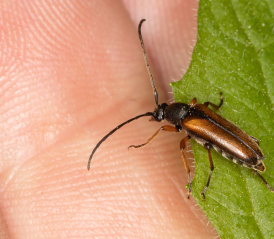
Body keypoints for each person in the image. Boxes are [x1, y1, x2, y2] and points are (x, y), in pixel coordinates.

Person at [0, 1, 216, 238]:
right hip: (203, 122)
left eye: (161, 113)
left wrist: (146, 143)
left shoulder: (182, 122)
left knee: (187, 144)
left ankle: (192, 176)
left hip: (206, 129)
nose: (158, 115)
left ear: (170, 115)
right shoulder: (186, 112)